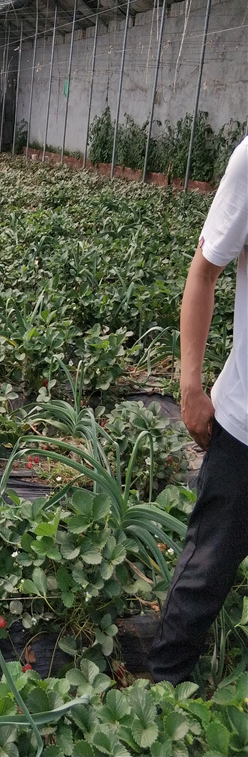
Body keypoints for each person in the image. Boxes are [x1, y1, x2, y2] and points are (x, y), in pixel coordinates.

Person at [148, 135, 248, 686]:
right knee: (205, 573)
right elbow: (204, 270)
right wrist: (190, 384)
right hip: (244, 426)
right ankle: (162, 701)